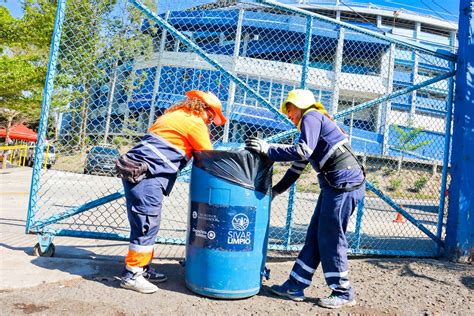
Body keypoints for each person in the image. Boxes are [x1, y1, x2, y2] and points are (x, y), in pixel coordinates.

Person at [245, 89, 365, 309]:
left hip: (344, 184)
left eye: (290, 110)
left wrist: (269, 149)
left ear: (300, 105)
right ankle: (295, 285)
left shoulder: (311, 116)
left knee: (331, 237)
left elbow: (302, 151)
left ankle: (343, 291)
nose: (289, 116)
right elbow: (297, 168)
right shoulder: (312, 126)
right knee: (315, 235)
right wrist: (276, 191)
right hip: (336, 185)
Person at [116, 90, 226, 294]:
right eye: (211, 117)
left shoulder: (172, 115)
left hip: (139, 171)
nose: (210, 122)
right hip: (148, 175)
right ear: (204, 109)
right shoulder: (194, 122)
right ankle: (132, 274)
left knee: (144, 222)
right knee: (146, 224)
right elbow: (209, 155)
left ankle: (143, 267)